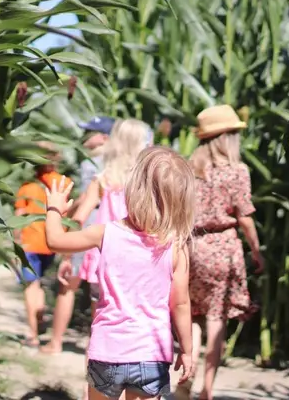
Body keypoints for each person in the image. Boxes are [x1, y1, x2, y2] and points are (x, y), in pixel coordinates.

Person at [43, 146, 197, 400]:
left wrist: (54, 210)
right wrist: (188, 350)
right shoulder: (176, 247)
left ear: (134, 188)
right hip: (152, 354)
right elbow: (180, 303)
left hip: (108, 350)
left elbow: (55, 241)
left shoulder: (105, 233)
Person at [177, 105, 265, 400]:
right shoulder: (237, 171)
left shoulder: (189, 169)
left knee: (192, 316)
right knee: (216, 319)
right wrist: (256, 251)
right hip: (223, 248)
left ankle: (185, 380)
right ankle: (208, 390)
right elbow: (245, 217)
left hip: (191, 247)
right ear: (227, 137)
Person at [68, 118, 154, 399]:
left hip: (104, 263)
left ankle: (95, 390)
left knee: (101, 331)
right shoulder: (146, 182)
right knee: (138, 325)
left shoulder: (103, 179)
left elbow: (78, 219)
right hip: (139, 265)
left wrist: (69, 257)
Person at [41, 116, 116, 355]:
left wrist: (67, 214)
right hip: (111, 226)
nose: (85, 136)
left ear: (104, 137)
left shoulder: (92, 161)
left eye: (91, 132)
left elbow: (86, 196)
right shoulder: (122, 161)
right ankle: (98, 346)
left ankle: (55, 342)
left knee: (68, 284)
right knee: (101, 290)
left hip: (89, 222)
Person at [13, 142, 65, 348]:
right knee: (39, 282)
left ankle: (33, 334)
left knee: (30, 286)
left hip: (31, 243)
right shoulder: (62, 183)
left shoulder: (28, 186)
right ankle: (40, 316)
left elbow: (19, 215)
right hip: (52, 243)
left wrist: (17, 240)